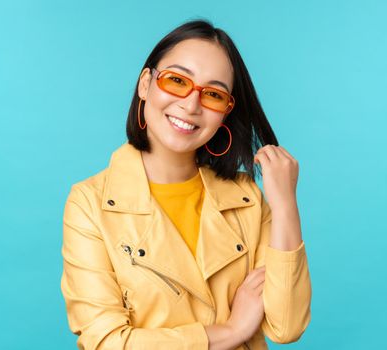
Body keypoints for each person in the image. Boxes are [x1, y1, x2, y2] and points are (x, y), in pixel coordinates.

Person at [60, 19, 312, 350]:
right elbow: (107, 342)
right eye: (177, 80)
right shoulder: (89, 203)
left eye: (213, 94)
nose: (191, 105)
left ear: (226, 110)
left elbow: (286, 326)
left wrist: (284, 205)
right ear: (145, 84)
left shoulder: (246, 199)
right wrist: (232, 332)